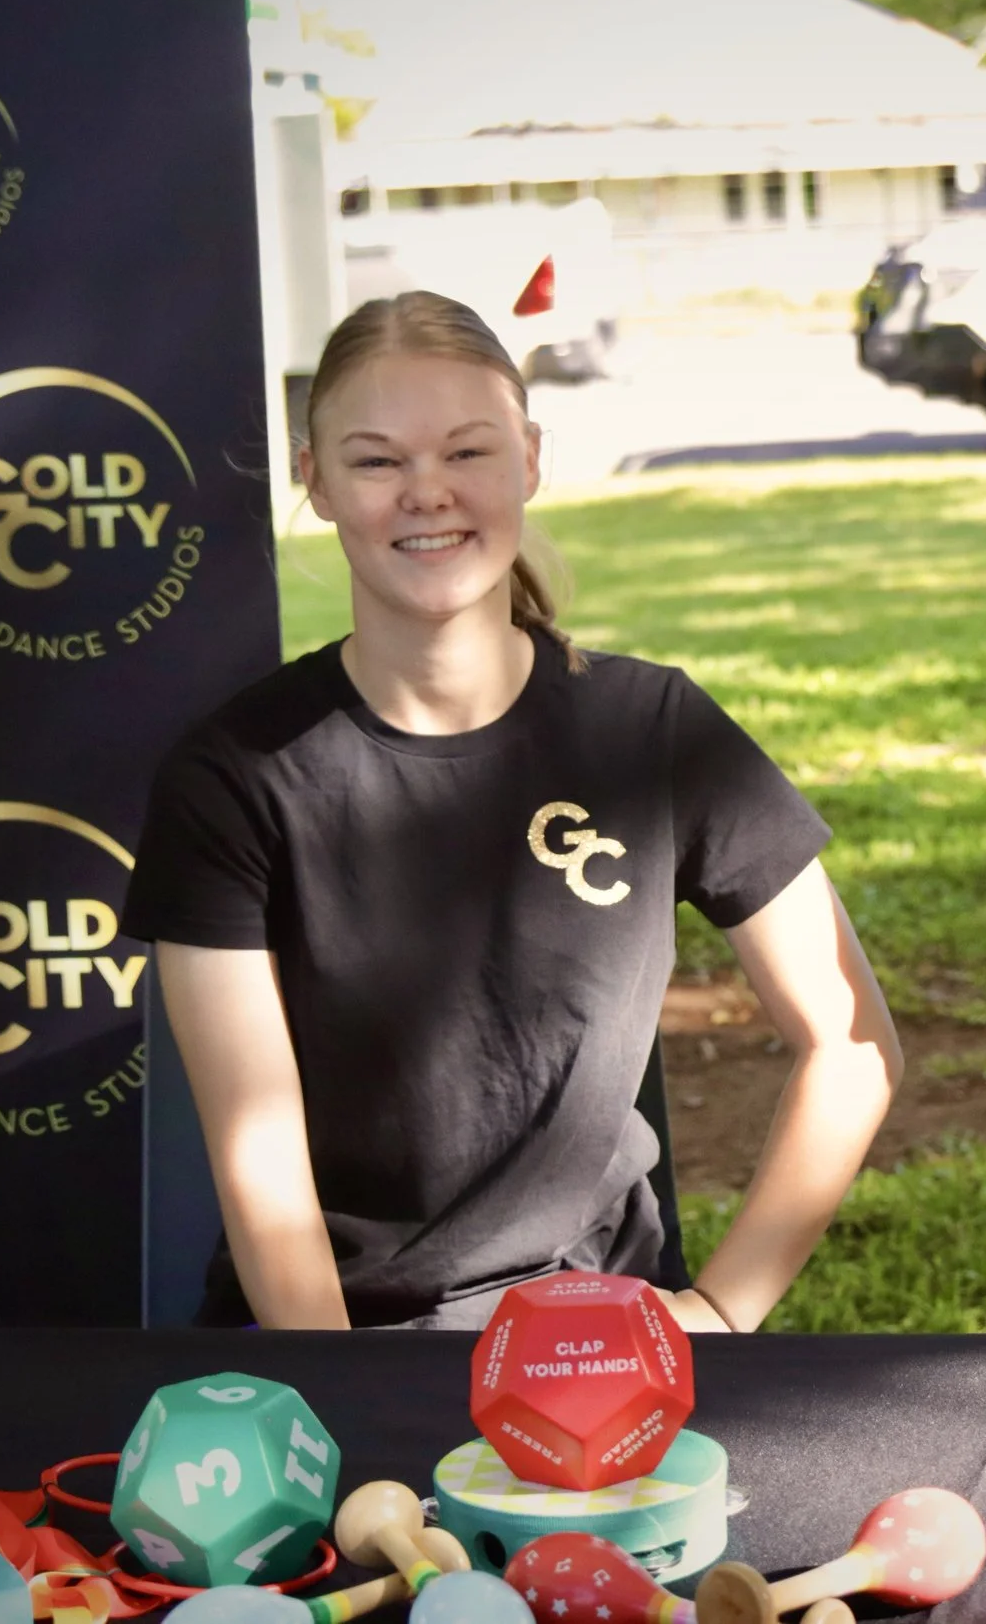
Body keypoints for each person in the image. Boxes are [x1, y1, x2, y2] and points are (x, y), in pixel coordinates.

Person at [124, 291, 903, 1331]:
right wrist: (361, 1420)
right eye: (375, 460)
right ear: (312, 480)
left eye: (467, 451)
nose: (427, 493)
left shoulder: (652, 728)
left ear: (529, 458)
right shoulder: (235, 774)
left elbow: (852, 1045)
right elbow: (261, 1171)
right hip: (344, 1344)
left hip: (596, 1336)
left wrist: (718, 1311)